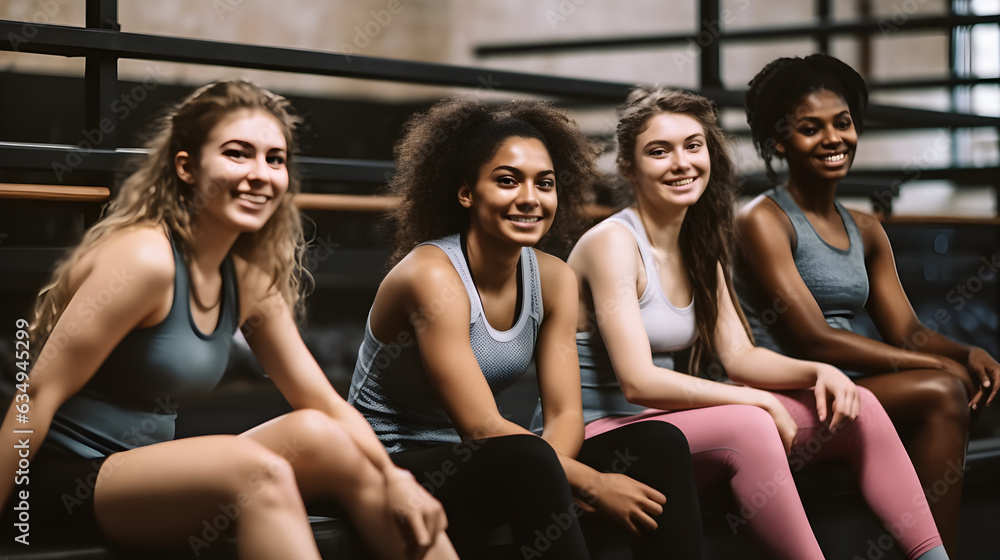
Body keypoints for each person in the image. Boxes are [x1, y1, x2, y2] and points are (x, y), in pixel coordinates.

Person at [0, 80, 456, 560]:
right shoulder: (144, 260)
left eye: (274, 159)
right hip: (66, 481)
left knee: (328, 438)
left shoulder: (247, 278)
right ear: (187, 167)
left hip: (145, 471)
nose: (261, 174)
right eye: (238, 154)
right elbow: (37, 395)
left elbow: (322, 400)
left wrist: (398, 480)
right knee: (257, 471)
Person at [565, 85, 948, 560]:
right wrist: (759, 401)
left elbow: (740, 357)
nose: (682, 163)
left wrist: (817, 372)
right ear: (629, 166)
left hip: (666, 429)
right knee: (751, 422)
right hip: (602, 435)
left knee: (860, 407)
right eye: (659, 151)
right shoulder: (613, 243)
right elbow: (639, 382)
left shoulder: (698, 246)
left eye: (693, 145)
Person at [348, 98, 703, 560]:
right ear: (466, 193)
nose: (531, 198)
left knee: (658, 442)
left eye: (545, 183)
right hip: (392, 467)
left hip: (492, 460)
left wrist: (557, 472)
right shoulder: (432, 275)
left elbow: (564, 416)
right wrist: (590, 483)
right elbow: (481, 427)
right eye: (507, 181)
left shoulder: (553, 278)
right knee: (526, 456)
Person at [735, 53, 1000, 556]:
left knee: (962, 379)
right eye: (810, 128)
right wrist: (937, 365)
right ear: (778, 142)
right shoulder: (763, 219)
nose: (833, 138)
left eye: (843, 123)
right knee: (942, 389)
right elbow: (811, 338)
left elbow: (908, 332)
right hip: (792, 389)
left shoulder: (865, 227)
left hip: (854, 388)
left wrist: (968, 353)